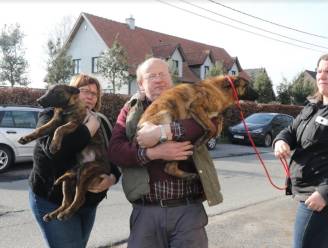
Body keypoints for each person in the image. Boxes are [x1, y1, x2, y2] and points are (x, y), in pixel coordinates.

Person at [108, 57, 223, 248]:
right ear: (141, 84)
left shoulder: (190, 101)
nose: (159, 79)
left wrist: (162, 132)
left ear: (171, 78)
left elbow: (207, 124)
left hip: (187, 211)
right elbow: (115, 151)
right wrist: (154, 153)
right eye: (152, 76)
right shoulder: (130, 109)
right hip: (146, 213)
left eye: (163, 74)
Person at [28, 74, 121, 248]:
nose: (90, 96)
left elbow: (112, 157)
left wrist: (112, 178)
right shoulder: (50, 115)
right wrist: (88, 130)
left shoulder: (101, 120)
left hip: (88, 203)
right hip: (52, 200)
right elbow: (55, 153)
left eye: (95, 93)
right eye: (84, 91)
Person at [274, 54, 328, 248]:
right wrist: (281, 141)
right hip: (307, 194)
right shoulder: (313, 106)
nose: (322, 75)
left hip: (318, 197)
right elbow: (291, 131)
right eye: (320, 71)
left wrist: (324, 192)